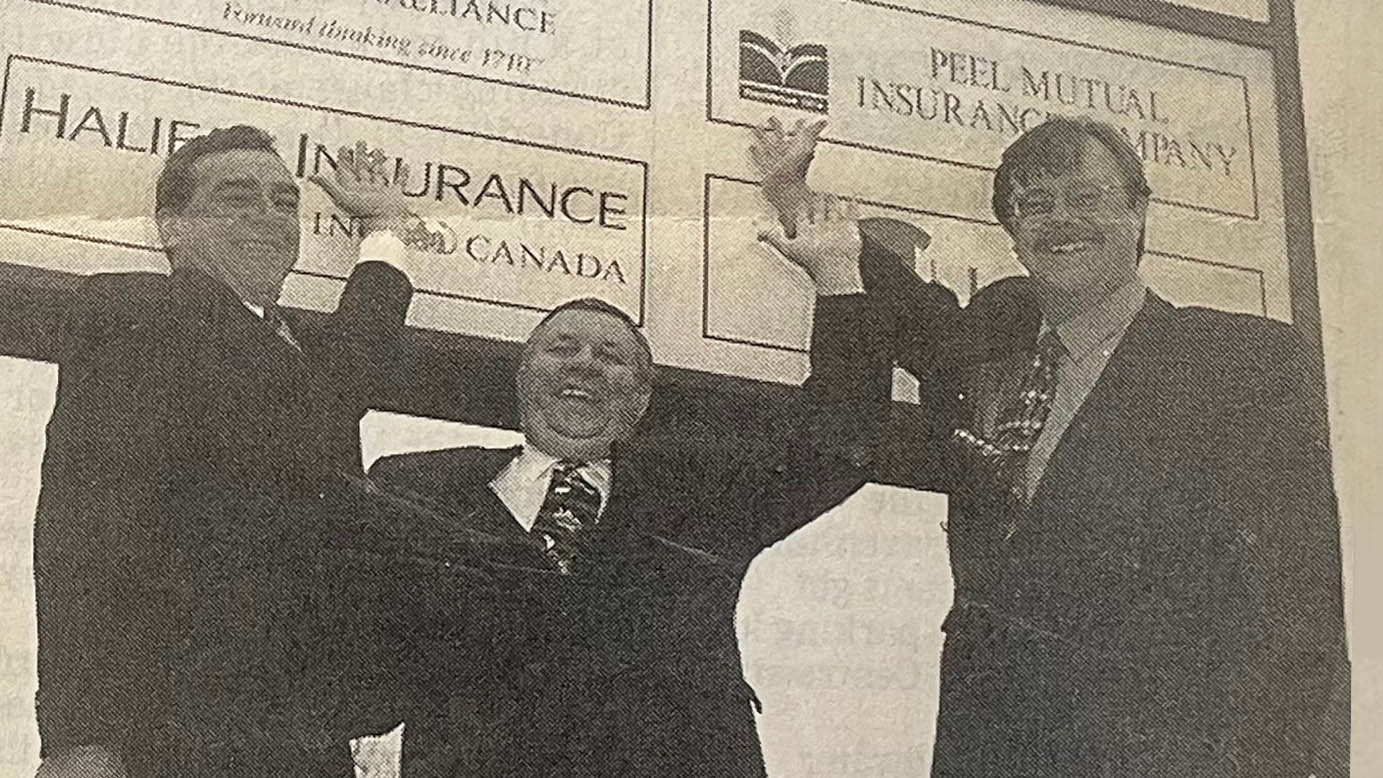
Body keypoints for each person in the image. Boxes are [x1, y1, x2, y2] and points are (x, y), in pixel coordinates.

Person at [757, 115, 1349, 777]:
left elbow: (1299, 594)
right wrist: (789, 193)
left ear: (1138, 211)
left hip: (1163, 749)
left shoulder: (1237, 360)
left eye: (1087, 198)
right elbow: (888, 288)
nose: (1059, 220)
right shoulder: (991, 336)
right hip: (988, 741)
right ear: (1012, 235)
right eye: (1033, 205)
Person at [362, 270, 954, 776]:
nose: (586, 364)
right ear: (522, 377)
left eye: (611, 356)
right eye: (562, 347)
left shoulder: (698, 499)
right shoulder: (412, 486)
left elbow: (838, 446)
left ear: (642, 399)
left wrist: (837, 274)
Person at [32, 125, 422, 777]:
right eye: (238, 197)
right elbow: (82, 532)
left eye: (282, 201)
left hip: (295, 736)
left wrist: (385, 226)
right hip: (172, 733)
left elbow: (354, 363)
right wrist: (81, 738)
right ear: (172, 228)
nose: (269, 215)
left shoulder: (289, 350)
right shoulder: (137, 313)